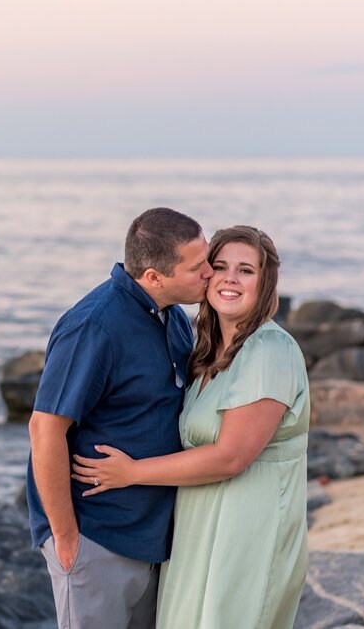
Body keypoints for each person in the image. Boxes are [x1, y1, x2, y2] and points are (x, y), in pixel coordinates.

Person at [71, 225, 309, 629]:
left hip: (247, 529)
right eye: (220, 266)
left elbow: (230, 456)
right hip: (199, 528)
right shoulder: (205, 351)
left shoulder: (270, 350)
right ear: (206, 276)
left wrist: (131, 473)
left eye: (246, 270)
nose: (231, 278)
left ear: (265, 283)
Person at [26, 207, 214, 629]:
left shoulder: (172, 317)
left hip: (154, 536)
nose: (211, 271)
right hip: (98, 538)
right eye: (197, 266)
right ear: (153, 276)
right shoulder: (94, 326)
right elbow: (44, 428)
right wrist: (66, 538)